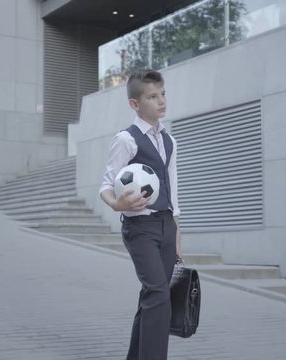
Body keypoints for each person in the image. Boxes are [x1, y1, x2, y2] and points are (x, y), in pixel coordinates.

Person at [99, 69, 182, 360]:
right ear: (135, 104)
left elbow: (172, 192)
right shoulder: (126, 140)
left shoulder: (170, 141)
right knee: (159, 295)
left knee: (152, 296)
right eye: (152, 96)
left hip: (165, 227)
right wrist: (116, 204)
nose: (161, 101)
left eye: (163, 94)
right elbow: (106, 186)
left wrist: (176, 233)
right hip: (140, 229)